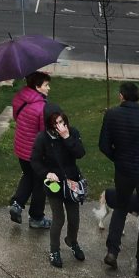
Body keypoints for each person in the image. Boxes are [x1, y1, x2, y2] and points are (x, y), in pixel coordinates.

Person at [97, 80, 139, 277]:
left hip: (124, 172)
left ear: (121, 96)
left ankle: (112, 251)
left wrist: (118, 158)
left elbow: (103, 145)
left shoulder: (111, 115)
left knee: (120, 207)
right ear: (138, 97)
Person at [35, 109, 88, 267]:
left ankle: (72, 241)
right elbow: (35, 161)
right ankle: (54, 250)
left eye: (62, 122)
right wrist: (47, 173)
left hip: (71, 182)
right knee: (59, 218)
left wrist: (67, 137)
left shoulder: (72, 133)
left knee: (74, 218)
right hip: (54, 184)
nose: (60, 126)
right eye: (56, 123)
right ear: (49, 125)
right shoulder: (43, 138)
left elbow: (80, 153)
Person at [7, 71, 58, 229]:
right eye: (46, 85)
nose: (49, 88)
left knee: (28, 175)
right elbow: (45, 134)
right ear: (37, 87)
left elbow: (17, 118)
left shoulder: (20, 98)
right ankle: (36, 218)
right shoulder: (42, 108)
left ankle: (17, 204)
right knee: (40, 184)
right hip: (36, 153)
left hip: (21, 149)